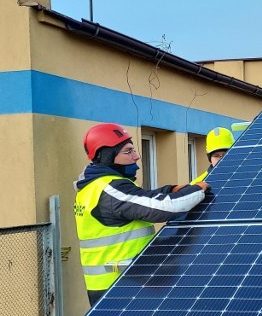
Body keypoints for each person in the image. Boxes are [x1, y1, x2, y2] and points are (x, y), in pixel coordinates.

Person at [74, 123, 210, 306]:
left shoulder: (99, 187)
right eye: (128, 151)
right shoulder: (109, 190)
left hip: (124, 282)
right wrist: (198, 190)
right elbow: (166, 207)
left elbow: (140, 199)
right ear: (107, 155)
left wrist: (171, 189)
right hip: (117, 288)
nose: (136, 156)